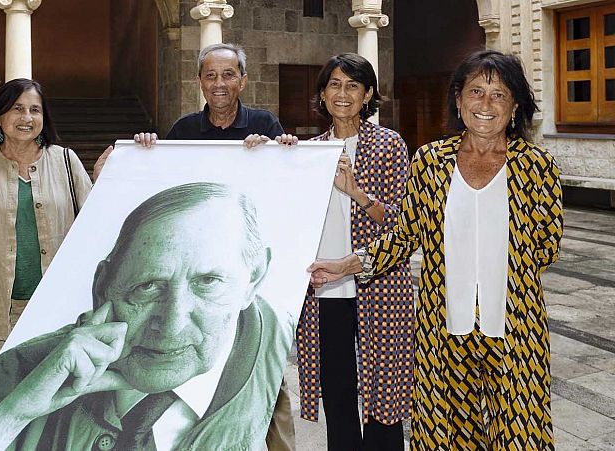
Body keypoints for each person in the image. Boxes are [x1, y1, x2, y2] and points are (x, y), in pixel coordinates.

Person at [308, 50, 563, 449]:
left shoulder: (538, 167)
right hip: (442, 335)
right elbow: (405, 235)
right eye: (476, 91)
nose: (485, 104)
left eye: (499, 94)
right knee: (447, 440)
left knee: (521, 439)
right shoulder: (431, 162)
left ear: (515, 105)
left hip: (516, 334)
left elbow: (546, 247)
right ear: (458, 100)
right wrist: (348, 265)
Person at [0, 182, 294, 451]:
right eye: (147, 286)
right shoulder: (20, 375)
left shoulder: (270, 361)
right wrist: (12, 416)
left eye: (207, 282)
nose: (172, 325)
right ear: (102, 288)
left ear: (254, 278)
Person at [94, 43, 297, 451]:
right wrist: (143, 154)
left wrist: (284, 150)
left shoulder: (265, 123)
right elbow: (162, 192)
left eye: (228, 75)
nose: (219, 84)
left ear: (242, 79)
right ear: (199, 81)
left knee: (266, 387)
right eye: (210, 75)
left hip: (233, 275)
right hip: (193, 264)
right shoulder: (183, 130)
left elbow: (286, 191)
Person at [292, 53, 414, 451]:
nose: (343, 94)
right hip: (326, 288)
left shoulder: (389, 145)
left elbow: (401, 222)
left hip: (377, 284)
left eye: (353, 86)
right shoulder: (308, 151)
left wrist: (356, 192)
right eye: (335, 85)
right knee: (338, 388)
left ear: (368, 95)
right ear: (322, 94)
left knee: (384, 388)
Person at [0, 78, 93, 380]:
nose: (27, 118)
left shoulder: (67, 161)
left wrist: (108, 180)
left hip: (60, 310)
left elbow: (93, 230)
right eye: (17, 109)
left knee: (53, 407)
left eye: (35, 110)